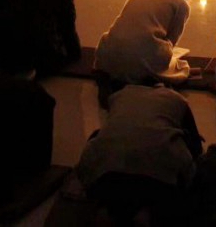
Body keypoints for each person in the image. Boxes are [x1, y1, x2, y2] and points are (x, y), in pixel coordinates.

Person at [76, 84, 203, 226]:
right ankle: (147, 209)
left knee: (103, 139)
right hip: (159, 182)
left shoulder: (120, 94)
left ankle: (110, 206)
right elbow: (197, 148)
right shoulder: (177, 99)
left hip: (106, 175)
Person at [95, 0, 191, 86]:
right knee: (182, 67)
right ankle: (146, 78)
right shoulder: (180, 3)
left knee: (110, 39)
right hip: (142, 59)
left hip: (109, 56)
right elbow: (172, 39)